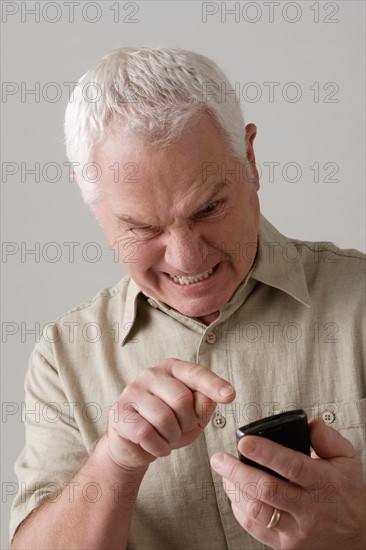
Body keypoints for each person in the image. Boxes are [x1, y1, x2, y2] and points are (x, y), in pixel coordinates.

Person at [10, 47, 365, 549]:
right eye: (142, 226)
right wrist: (116, 460)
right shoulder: (63, 358)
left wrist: (357, 529)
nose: (187, 258)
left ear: (251, 161)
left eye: (209, 207)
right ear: (94, 208)